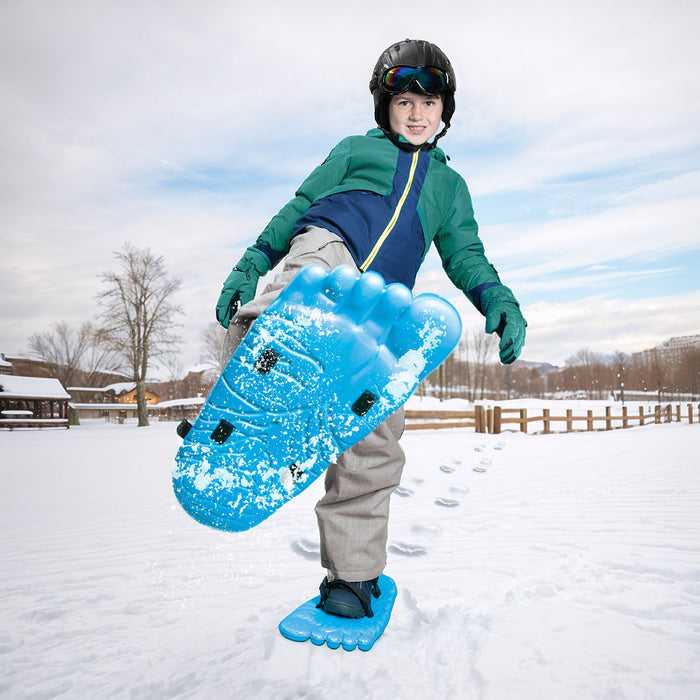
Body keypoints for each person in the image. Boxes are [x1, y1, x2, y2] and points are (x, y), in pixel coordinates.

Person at [215, 39, 526, 619]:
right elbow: (300, 203)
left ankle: (352, 579)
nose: (415, 113)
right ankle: (271, 352)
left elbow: (466, 254)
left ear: (445, 113)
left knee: (375, 436)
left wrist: (496, 297)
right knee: (317, 268)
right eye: (404, 100)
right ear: (385, 107)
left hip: (376, 312)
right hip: (331, 254)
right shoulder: (354, 150)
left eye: (429, 104)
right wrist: (253, 262)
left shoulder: (449, 188)